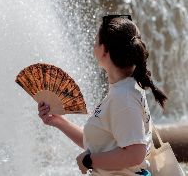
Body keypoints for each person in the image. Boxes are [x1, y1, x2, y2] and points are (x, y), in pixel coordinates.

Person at [38, 15, 167, 175]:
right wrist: (58, 121)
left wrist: (90, 161)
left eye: (95, 41)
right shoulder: (123, 90)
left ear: (105, 50)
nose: (93, 46)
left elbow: (135, 153)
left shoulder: (124, 97)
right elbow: (100, 145)